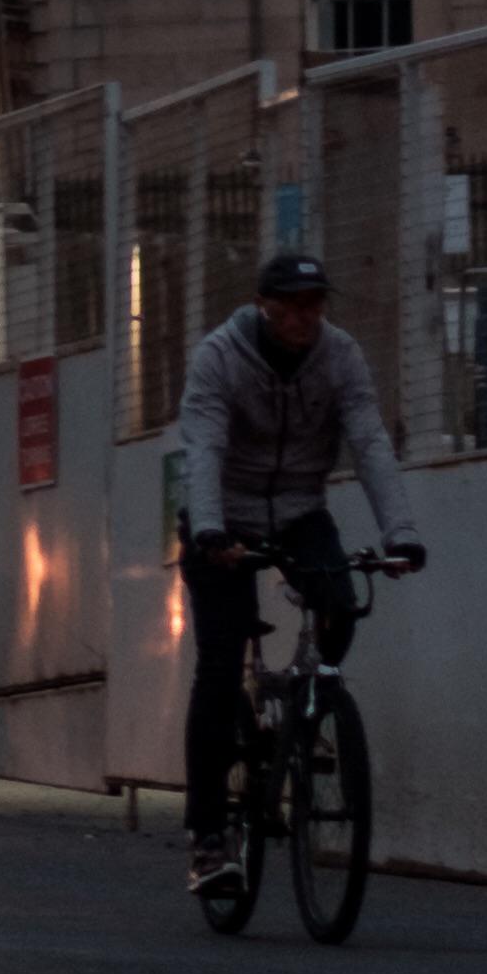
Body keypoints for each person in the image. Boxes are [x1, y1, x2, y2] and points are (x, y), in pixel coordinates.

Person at [176, 250, 423, 882]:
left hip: (298, 512)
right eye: (296, 306)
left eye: (317, 305)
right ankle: (208, 839)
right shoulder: (219, 358)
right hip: (223, 517)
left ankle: (309, 714)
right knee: (220, 663)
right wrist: (207, 530)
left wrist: (401, 534)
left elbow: (368, 440)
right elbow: (202, 448)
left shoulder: (340, 356)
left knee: (341, 603)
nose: (308, 318)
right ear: (266, 305)